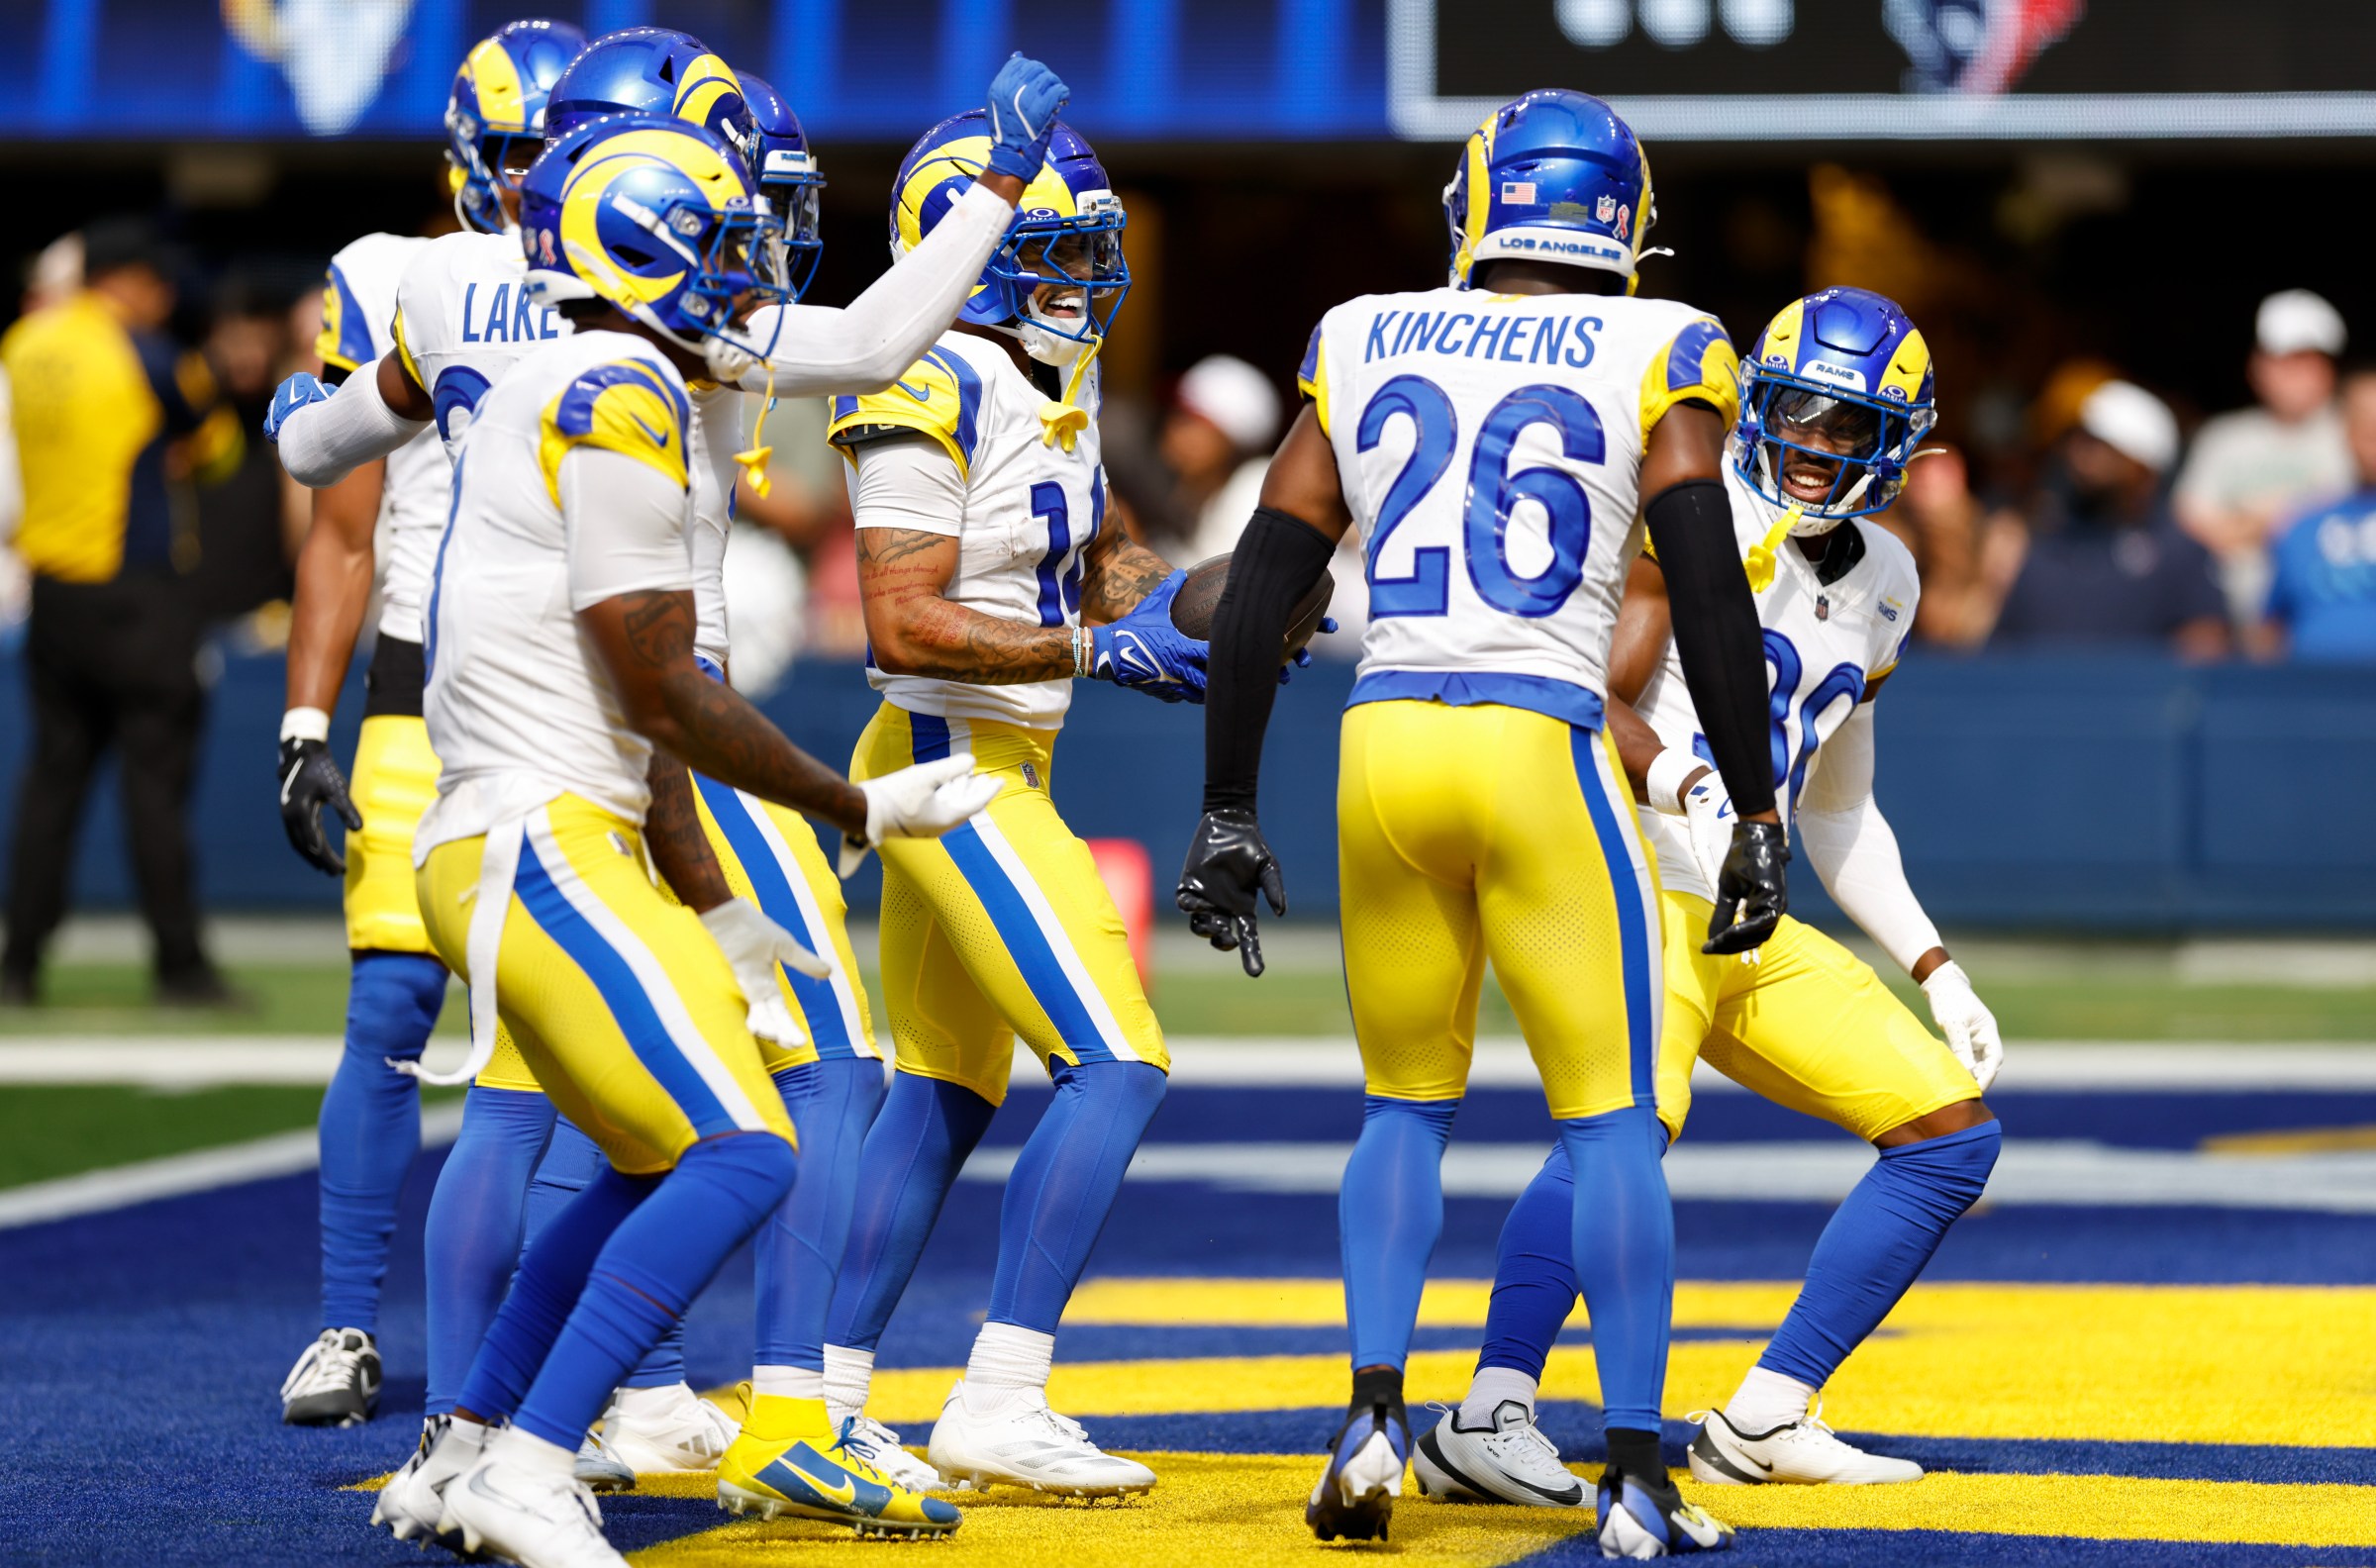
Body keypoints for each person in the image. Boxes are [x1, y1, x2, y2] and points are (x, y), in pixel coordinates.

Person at [271, 27, 1071, 1498]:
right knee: (789, 1085)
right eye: (718, 200)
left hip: (498, 728)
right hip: (623, 735)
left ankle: (482, 1433)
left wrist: (319, 420)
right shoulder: (658, 339)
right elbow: (874, 345)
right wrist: (994, 185)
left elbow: (318, 450)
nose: (748, 239)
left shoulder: (445, 284)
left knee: (546, 1100)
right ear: (639, 191)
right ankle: (768, 1415)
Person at [1177, 89, 1787, 1556]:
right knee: (1618, 1118)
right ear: (1623, 216)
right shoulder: (1665, 340)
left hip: (1382, 739)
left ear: (1481, 203)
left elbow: (1264, 580)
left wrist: (1226, 804)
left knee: (1401, 1107)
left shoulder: (1364, 326)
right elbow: (1707, 583)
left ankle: (1374, 1414)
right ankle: (1637, 1467)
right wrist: (1758, 807)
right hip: (1540, 741)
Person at [1412, 288, 2002, 1508]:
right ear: (1756, 409)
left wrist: (1934, 963)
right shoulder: (1687, 512)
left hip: (1748, 913)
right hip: (1631, 883)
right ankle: (1487, 1410)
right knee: (1620, 1137)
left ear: (1898, 442)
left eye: (1850, 427)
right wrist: (1687, 783)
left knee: (1950, 1137)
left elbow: (1835, 808)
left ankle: (1766, 1416)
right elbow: (1590, 700)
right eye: (1800, 415)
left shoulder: (1887, 575)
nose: (1817, 446)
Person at [807, 108, 1195, 1502]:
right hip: (945, 753)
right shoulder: (931, 379)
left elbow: (1083, 556)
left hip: (995, 755)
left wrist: (1210, 599)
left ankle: (822, 1396)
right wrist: (1105, 649)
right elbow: (905, 625)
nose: (1076, 280)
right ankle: (1001, 1393)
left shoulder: (1049, 383)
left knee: (942, 1094)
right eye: (1044, 252)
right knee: (1118, 1059)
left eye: (1091, 251)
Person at [269, 16, 586, 1431]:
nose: (531, 184)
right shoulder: (398, 280)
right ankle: (347, 1322)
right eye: (512, 154)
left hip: (576, 694)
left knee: (573, 1035)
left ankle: (576, 1346)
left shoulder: (641, 274)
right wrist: (303, 717)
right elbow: (344, 523)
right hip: (418, 681)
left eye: (551, 154)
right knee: (390, 1012)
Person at [0, 217, 239, 1007]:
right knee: (156, 786)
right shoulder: (149, 354)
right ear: (126, 282)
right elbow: (218, 447)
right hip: (138, 592)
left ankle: (21, 963)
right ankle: (180, 966)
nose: (164, 296)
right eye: (155, 282)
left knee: (52, 783)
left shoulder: (25, 344)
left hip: (56, 590)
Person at [1991, 379, 2229, 657]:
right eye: (2077, 439)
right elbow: (2000, 654)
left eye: (2099, 444)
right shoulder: (2039, 543)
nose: (2080, 453)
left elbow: (2202, 658)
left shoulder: (2180, 551)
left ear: (2143, 465)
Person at [2174, 289, 2353, 627]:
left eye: (2305, 359)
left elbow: (2345, 518)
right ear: (2256, 366)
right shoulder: (2222, 437)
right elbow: (2190, 524)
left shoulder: (2355, 434)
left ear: (2328, 367)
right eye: (2280, 359)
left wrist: (2245, 518)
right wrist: (2281, 515)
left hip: (2318, 619)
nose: (2291, 373)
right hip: (2228, 618)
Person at [2262, 365, 2376, 661]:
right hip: (2311, 697)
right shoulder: (2302, 525)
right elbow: (2268, 630)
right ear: (2347, 432)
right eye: (2366, 424)